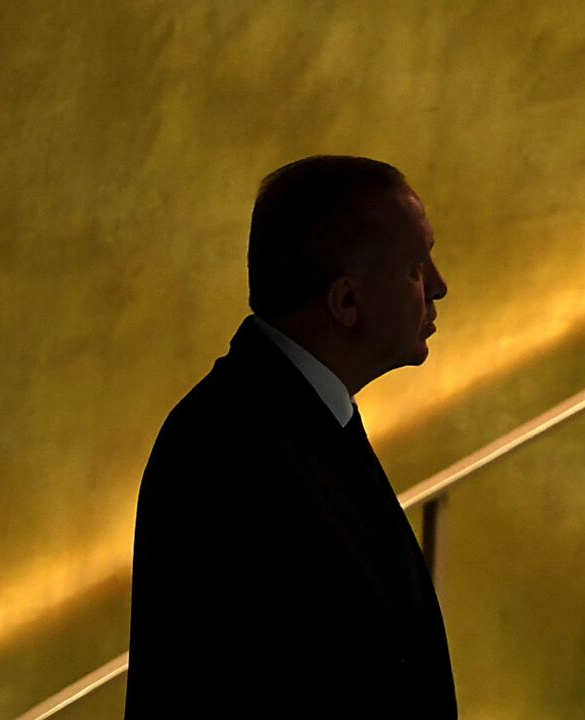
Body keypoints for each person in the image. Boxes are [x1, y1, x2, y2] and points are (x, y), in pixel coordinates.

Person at [124, 155, 455, 718]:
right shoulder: (230, 453)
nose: (440, 287)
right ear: (346, 301)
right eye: (416, 267)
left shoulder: (294, 417)